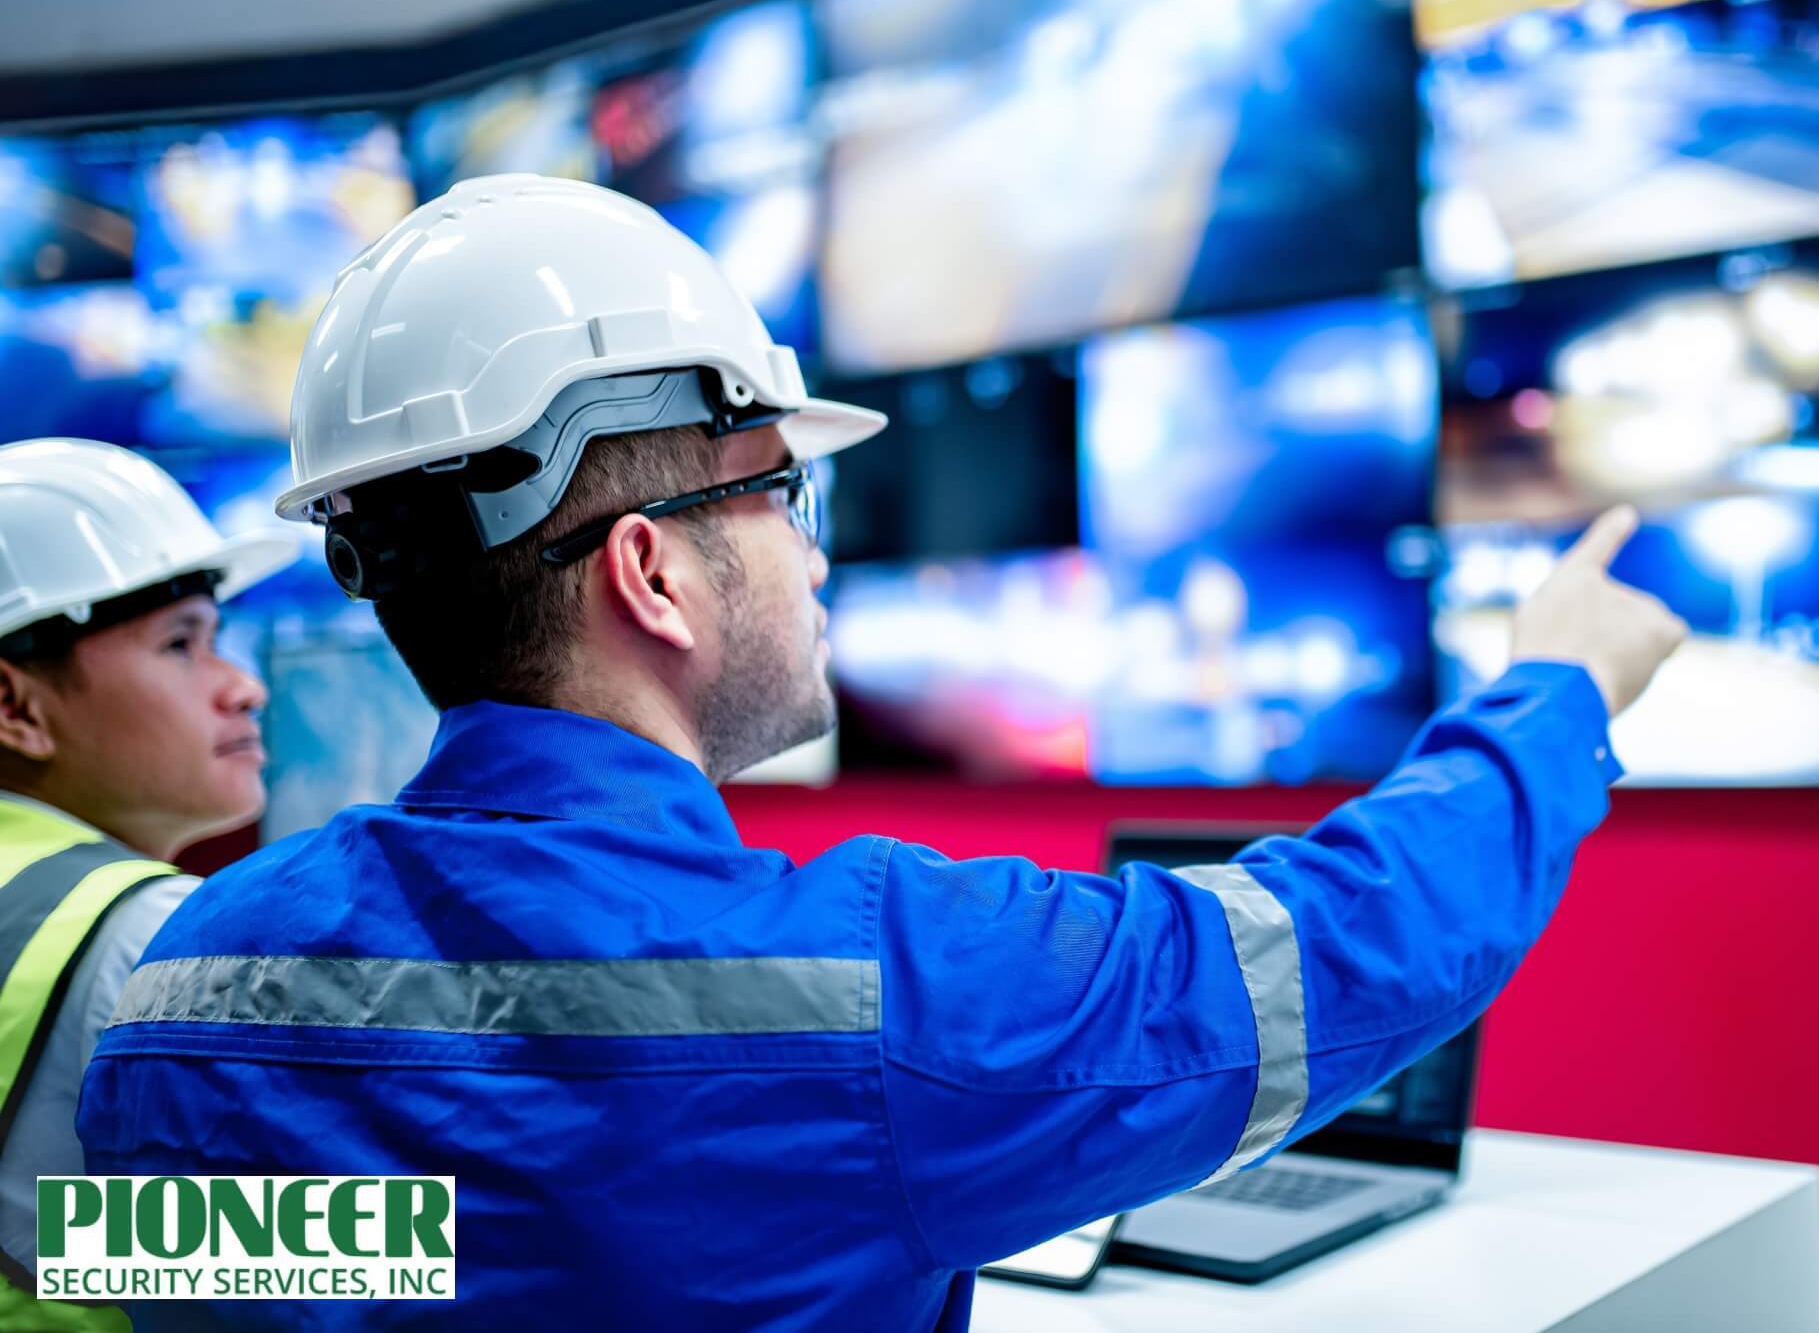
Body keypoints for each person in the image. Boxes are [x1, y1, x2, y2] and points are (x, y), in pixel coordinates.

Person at [78, 176, 1686, 1331]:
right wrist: (1558, 686)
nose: (813, 551)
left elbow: (366, 1265)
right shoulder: (867, 993)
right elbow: (1342, 949)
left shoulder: (173, 995)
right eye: (781, 493)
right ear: (651, 572)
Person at [0, 438, 292, 1331]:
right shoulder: (143, 933)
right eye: (181, 645)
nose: (241, 688)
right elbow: (303, 1262)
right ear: (16, 708)